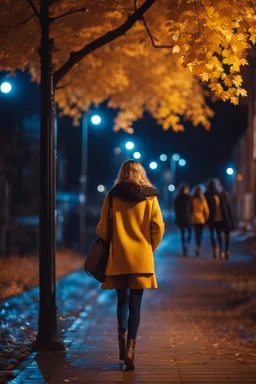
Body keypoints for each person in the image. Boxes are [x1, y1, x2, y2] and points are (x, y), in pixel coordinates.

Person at [97, 160, 164, 371]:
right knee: (136, 304)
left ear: (122, 173)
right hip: (141, 258)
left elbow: (103, 228)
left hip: (118, 258)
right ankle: (130, 349)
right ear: (141, 173)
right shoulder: (150, 196)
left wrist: (112, 239)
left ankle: (121, 335)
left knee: (121, 301)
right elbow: (158, 226)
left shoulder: (112, 195)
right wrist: (149, 247)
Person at [205, 180, 234, 259]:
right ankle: (223, 250)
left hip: (221, 218)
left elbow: (228, 207)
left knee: (222, 235)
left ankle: (224, 250)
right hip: (220, 219)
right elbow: (229, 208)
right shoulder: (221, 194)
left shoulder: (220, 195)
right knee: (220, 235)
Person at [191, 185, 209, 256]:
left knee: (196, 233)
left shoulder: (193, 199)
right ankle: (198, 247)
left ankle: (196, 245)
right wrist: (206, 218)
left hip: (194, 218)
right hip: (201, 219)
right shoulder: (203, 199)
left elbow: (191, 209)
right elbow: (207, 211)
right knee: (200, 234)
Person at [174, 184, 192, 256]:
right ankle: (186, 244)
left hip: (180, 217)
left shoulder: (177, 198)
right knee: (189, 231)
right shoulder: (189, 197)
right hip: (187, 217)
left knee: (183, 232)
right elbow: (191, 208)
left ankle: (184, 245)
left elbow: (175, 208)